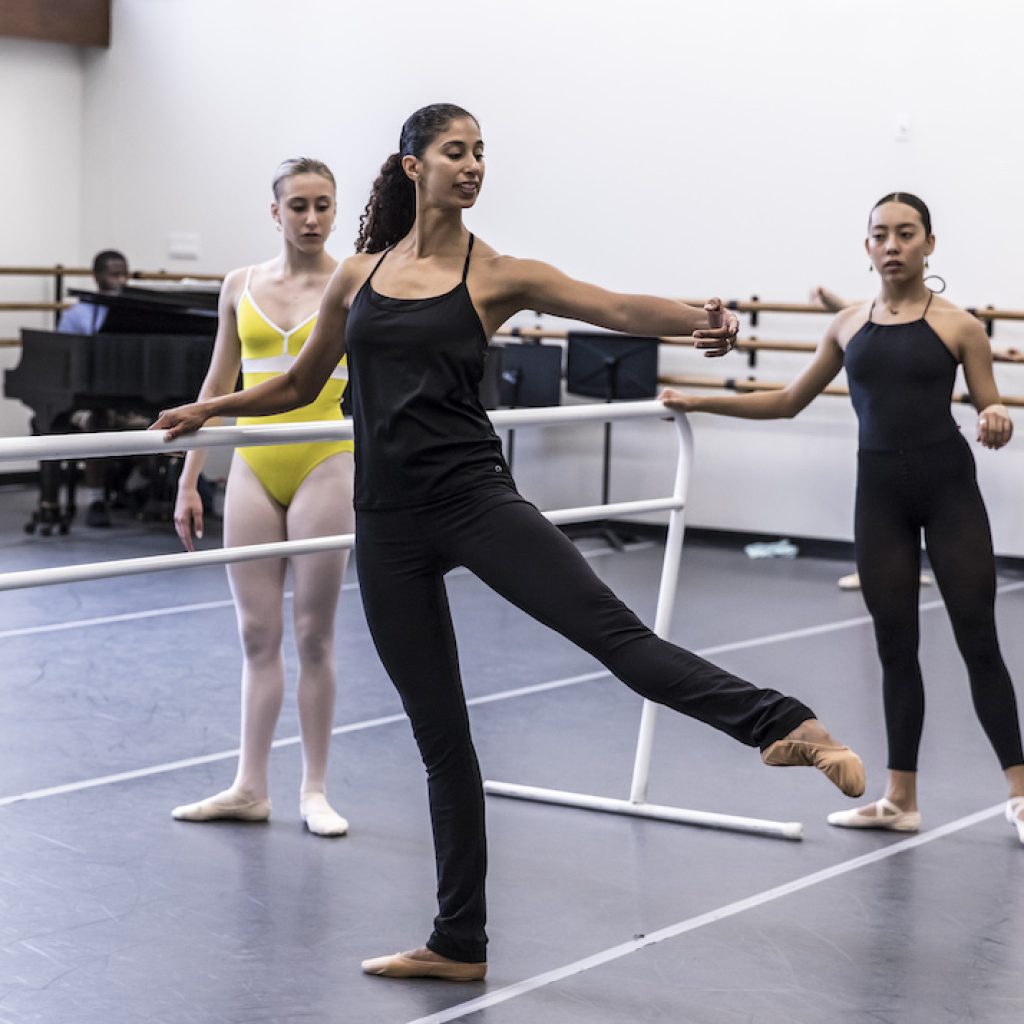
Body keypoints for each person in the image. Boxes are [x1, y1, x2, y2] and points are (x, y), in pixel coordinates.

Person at [154, 104, 864, 980]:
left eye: (481, 152)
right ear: (413, 166)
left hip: (474, 499)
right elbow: (301, 383)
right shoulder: (359, 276)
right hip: (386, 524)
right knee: (441, 738)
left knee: (618, 640)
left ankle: (788, 724)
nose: (474, 164)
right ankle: (459, 944)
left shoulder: (497, 275)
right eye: (456, 151)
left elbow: (606, 303)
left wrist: (693, 318)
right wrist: (211, 409)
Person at [663, 192, 1024, 845]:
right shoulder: (847, 326)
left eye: (906, 233)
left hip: (949, 496)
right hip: (878, 498)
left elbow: (989, 404)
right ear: (867, 248)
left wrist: (996, 418)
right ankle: (900, 798)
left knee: (978, 641)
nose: (893, 245)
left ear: (929, 244)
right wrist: (699, 398)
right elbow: (787, 401)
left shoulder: (960, 326)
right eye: (881, 234)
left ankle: (1021, 793)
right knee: (895, 648)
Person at [168, 158, 354, 838]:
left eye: (323, 205)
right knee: (255, 633)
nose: (311, 218)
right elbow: (215, 387)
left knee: (312, 634)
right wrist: (190, 479)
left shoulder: (352, 283)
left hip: (326, 459)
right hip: (253, 462)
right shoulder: (239, 285)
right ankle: (250, 785)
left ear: (337, 210)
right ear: (275, 212)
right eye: (298, 205)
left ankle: (314, 787)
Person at [811, 286, 935, 593]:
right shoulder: (871, 312)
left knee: (915, 500)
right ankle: (870, 568)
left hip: (920, 435)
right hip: (878, 437)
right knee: (878, 507)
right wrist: (830, 300)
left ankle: (908, 565)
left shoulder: (927, 311)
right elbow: (855, 310)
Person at [57, 249, 130, 527]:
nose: (121, 280)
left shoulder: (137, 312)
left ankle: (139, 488)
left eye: (124, 274)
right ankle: (96, 498)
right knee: (98, 420)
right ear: (97, 276)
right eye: (114, 274)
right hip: (84, 400)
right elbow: (63, 361)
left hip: (125, 396)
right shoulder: (78, 314)